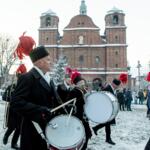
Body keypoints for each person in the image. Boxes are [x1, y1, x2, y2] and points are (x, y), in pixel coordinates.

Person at [10, 46, 61, 150]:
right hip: (32, 130)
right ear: (40, 62)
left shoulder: (49, 79)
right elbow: (16, 102)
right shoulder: (27, 78)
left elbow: (54, 100)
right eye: (48, 59)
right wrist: (40, 110)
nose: (50, 62)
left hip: (49, 128)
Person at [67, 71, 92, 150]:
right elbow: (71, 103)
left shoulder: (83, 91)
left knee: (88, 134)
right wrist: (83, 98)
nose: (83, 84)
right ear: (77, 84)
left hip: (84, 116)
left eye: (83, 82)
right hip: (78, 117)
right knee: (83, 134)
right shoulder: (73, 91)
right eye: (81, 82)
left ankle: (83, 147)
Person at [92, 78, 121, 145]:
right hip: (106, 109)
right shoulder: (107, 88)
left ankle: (106, 137)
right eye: (117, 85)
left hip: (109, 109)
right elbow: (102, 98)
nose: (117, 87)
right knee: (107, 123)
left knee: (107, 124)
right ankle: (107, 138)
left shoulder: (111, 89)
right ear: (113, 84)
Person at [2, 79, 21, 149]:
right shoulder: (11, 87)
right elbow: (4, 97)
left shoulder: (26, 86)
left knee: (19, 128)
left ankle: (14, 143)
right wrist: (13, 99)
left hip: (22, 109)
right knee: (12, 126)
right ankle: (6, 135)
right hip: (12, 110)